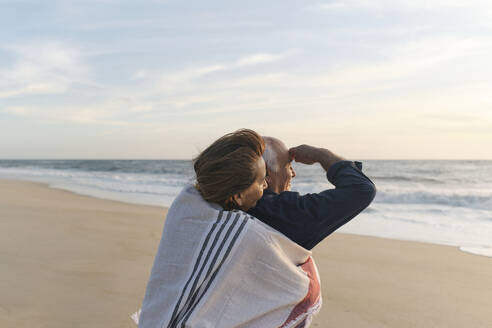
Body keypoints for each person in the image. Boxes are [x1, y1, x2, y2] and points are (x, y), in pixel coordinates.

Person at [135, 129, 322, 328]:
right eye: (261, 181)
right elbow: (295, 286)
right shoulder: (248, 234)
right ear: (238, 196)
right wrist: (321, 156)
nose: (266, 185)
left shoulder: (187, 201)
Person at [248, 137, 376, 250]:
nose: (293, 173)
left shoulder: (233, 202)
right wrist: (320, 154)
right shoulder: (279, 211)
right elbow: (361, 190)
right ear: (266, 173)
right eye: (288, 166)